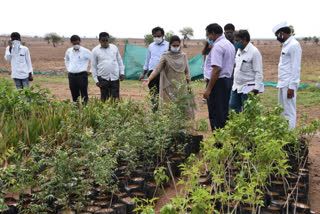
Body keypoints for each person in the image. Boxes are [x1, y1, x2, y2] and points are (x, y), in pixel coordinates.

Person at [142, 36, 196, 118]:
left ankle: (182, 128)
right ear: (170, 45)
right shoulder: (165, 56)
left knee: (182, 106)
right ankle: (171, 128)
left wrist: (189, 86)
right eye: (174, 45)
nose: (176, 47)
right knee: (170, 107)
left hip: (182, 86)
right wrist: (149, 78)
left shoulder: (183, 56)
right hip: (169, 86)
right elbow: (157, 69)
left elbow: (187, 72)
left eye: (177, 45)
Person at [203, 23, 235, 131]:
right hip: (227, 81)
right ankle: (223, 138)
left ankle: (218, 142)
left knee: (215, 112)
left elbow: (216, 69)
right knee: (223, 111)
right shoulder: (229, 44)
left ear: (213, 34)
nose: (208, 38)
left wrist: (208, 89)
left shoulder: (218, 46)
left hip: (218, 83)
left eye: (208, 35)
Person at [272, 22, 302, 129]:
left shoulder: (294, 45)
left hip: (289, 84)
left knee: (289, 111)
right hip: (283, 83)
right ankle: (284, 134)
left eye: (277, 36)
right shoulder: (286, 45)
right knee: (283, 110)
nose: (277, 38)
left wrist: (292, 87)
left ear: (282, 33)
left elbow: (295, 67)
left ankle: (290, 137)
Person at [230, 30, 264, 113]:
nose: (235, 42)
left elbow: (258, 72)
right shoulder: (239, 51)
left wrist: (256, 88)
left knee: (248, 112)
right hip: (236, 87)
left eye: (237, 40)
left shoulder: (254, 52)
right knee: (233, 109)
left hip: (248, 88)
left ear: (244, 39)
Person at [140, 27, 169, 110]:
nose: (157, 38)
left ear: (163, 35)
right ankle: (154, 111)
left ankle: (166, 113)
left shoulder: (168, 45)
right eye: (155, 36)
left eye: (158, 36)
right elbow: (147, 60)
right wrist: (144, 74)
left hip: (164, 73)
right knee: (153, 94)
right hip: (152, 73)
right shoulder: (151, 46)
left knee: (165, 94)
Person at [91, 32, 125, 102]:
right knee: (104, 99)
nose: (105, 42)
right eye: (103, 40)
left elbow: (120, 61)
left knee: (115, 99)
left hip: (114, 78)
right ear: (99, 40)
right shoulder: (95, 51)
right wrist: (96, 80)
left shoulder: (114, 48)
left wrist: (122, 72)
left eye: (107, 40)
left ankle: (115, 111)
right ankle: (104, 112)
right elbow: (93, 66)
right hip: (103, 79)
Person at [65, 35, 92, 104]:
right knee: (74, 94)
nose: (76, 45)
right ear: (71, 43)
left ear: (80, 42)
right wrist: (68, 68)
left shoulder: (85, 51)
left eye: (77, 43)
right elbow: (66, 60)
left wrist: (91, 70)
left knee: (84, 94)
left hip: (82, 75)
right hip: (71, 76)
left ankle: (85, 109)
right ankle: (76, 109)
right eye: (74, 44)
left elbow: (94, 60)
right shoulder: (69, 51)